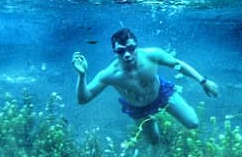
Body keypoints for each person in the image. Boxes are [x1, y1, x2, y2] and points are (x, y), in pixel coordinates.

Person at [72, 28, 219, 144]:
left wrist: (203, 81)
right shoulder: (110, 74)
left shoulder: (152, 55)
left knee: (193, 123)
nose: (127, 54)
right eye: (121, 51)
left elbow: (178, 65)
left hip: (161, 93)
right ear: (114, 53)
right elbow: (83, 99)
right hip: (137, 107)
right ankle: (155, 128)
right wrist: (82, 75)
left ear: (137, 45)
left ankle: (167, 116)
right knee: (154, 141)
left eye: (130, 48)